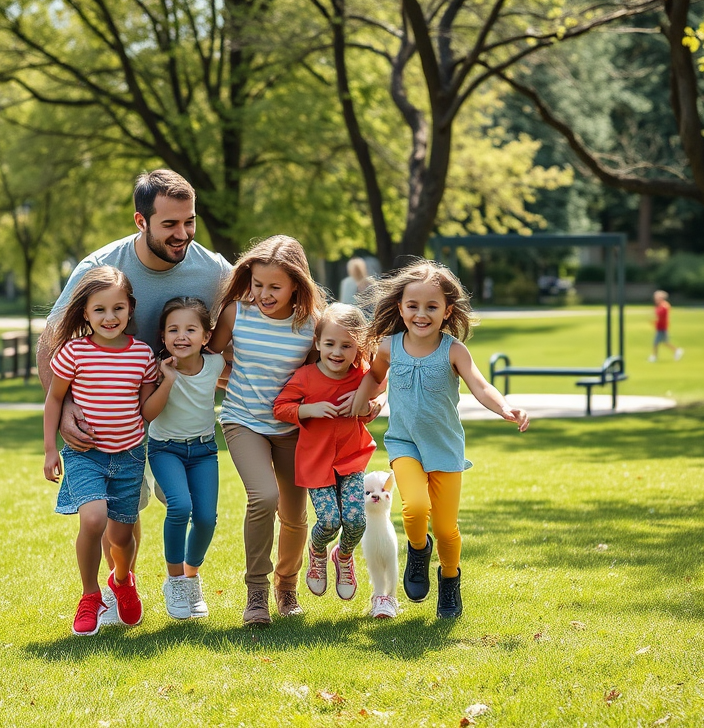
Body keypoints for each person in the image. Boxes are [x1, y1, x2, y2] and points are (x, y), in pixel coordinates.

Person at [37, 169, 231, 624]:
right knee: (121, 512)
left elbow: (257, 309)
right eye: (170, 224)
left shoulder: (213, 269)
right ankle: (120, 586)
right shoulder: (100, 266)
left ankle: (172, 581)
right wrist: (64, 410)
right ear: (141, 221)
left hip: (178, 416)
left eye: (190, 222)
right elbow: (51, 341)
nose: (182, 234)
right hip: (110, 418)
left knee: (181, 509)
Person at [351, 260, 529, 619]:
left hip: (445, 450)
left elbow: (481, 385)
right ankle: (418, 550)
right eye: (413, 306)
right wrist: (363, 401)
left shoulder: (454, 351)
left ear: (447, 311)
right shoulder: (389, 347)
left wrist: (506, 407)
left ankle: (449, 579)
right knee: (414, 508)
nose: (421, 314)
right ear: (400, 308)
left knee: (447, 531)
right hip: (404, 444)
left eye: (431, 307)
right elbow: (375, 377)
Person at [209, 235, 326, 626]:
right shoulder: (235, 313)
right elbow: (208, 362)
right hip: (243, 421)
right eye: (258, 285)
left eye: (275, 287)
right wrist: (233, 381)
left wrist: (368, 400)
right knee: (264, 496)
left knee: (294, 514)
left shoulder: (310, 325)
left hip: (293, 427)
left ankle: (286, 586)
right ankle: (256, 592)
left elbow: (319, 377)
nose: (263, 294)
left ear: (296, 284)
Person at [42, 266, 159, 636]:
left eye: (118, 308)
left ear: (130, 309)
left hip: (128, 457)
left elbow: (146, 411)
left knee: (122, 538)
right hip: (85, 455)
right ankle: (90, 595)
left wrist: (168, 381)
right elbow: (54, 401)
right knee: (93, 520)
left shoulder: (141, 355)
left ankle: (122, 581)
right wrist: (49, 451)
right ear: (85, 313)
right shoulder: (73, 352)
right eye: (99, 310)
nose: (110, 318)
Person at [273, 303, 379, 606]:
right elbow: (280, 407)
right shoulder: (306, 377)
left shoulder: (362, 376)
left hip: (351, 458)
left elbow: (373, 406)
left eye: (347, 346)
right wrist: (309, 409)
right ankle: (318, 551)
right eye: (330, 343)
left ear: (357, 347)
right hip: (316, 462)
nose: (337, 352)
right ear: (317, 343)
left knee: (357, 520)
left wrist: (366, 406)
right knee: (330, 521)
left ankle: (343, 557)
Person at [140, 297, 227, 620]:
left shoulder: (216, 365)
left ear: (206, 337)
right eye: (173, 330)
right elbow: (148, 412)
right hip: (166, 450)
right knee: (180, 506)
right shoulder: (158, 368)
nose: (181, 336)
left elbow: (245, 381)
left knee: (206, 519)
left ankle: (191, 578)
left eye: (191, 329)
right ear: (162, 336)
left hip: (204, 451)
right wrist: (168, 380)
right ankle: (175, 580)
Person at [648, 290, 684, 362]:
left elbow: (660, 315)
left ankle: (654, 357)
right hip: (660, 327)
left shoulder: (664, 306)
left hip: (662, 327)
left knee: (656, 342)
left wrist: (654, 320)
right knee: (665, 342)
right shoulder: (660, 305)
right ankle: (676, 351)